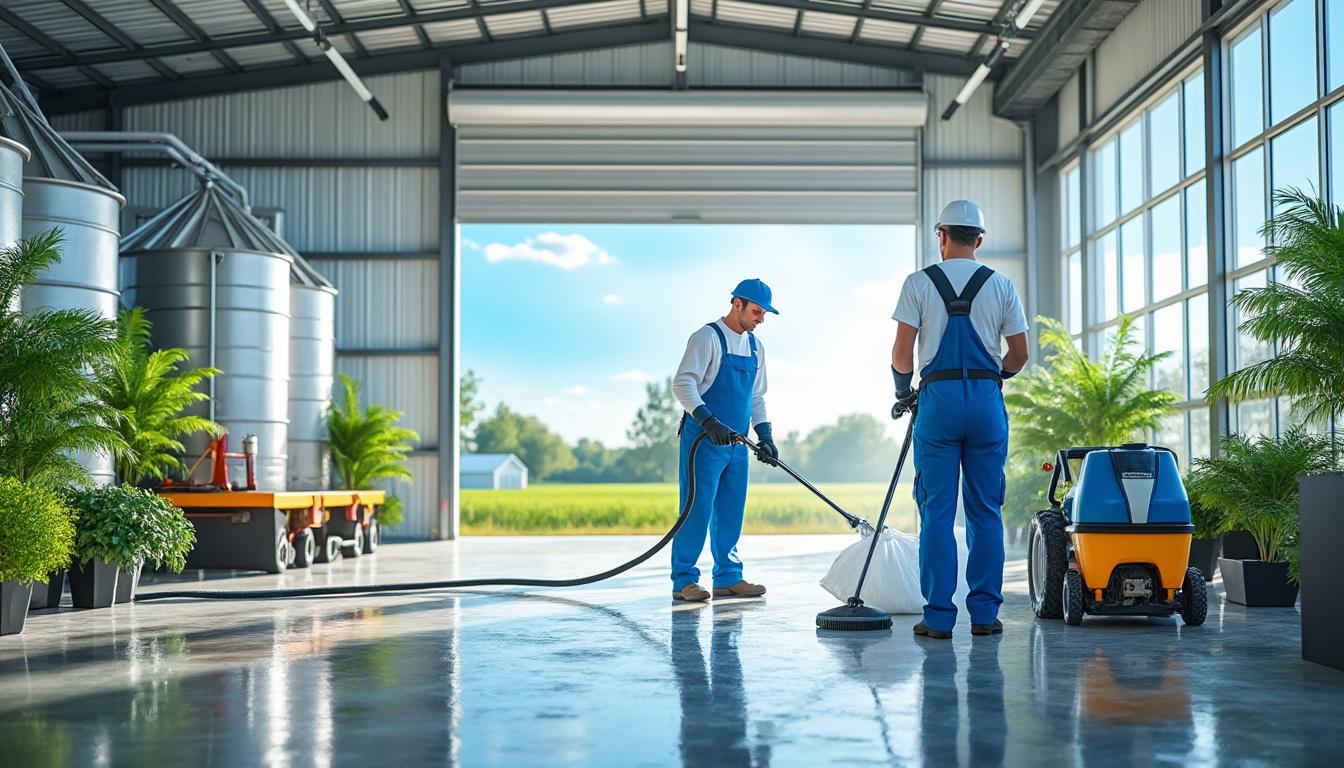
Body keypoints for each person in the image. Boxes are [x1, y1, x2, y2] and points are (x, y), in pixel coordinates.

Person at [890, 200, 1029, 639]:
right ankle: (985, 617)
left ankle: (937, 619)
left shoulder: (918, 283)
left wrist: (902, 391)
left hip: (938, 403)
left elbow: (901, 353)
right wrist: (994, 378)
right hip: (986, 403)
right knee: (986, 511)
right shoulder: (1002, 285)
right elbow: (1020, 354)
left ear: (942, 236)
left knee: (936, 512)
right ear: (980, 240)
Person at [669, 279, 778, 602]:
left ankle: (728, 578)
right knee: (697, 509)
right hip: (703, 441)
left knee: (731, 509)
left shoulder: (756, 348)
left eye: (764, 313)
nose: (761, 318)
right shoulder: (707, 338)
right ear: (737, 304)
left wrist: (766, 435)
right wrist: (707, 421)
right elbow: (683, 383)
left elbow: (756, 397)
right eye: (757, 311)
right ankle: (684, 580)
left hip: (737, 443)